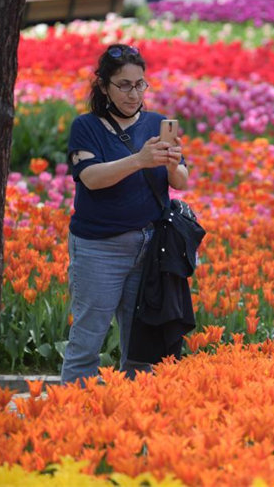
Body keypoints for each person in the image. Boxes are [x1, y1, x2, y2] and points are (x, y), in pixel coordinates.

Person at [61, 44, 189, 384]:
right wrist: (139, 161)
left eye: (140, 84)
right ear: (104, 86)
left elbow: (182, 181)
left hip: (151, 246)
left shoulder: (158, 124)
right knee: (88, 339)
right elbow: (91, 178)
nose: (134, 93)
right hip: (99, 247)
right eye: (124, 85)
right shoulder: (86, 127)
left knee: (142, 345)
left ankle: (130, 423)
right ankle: (69, 417)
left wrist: (173, 164)